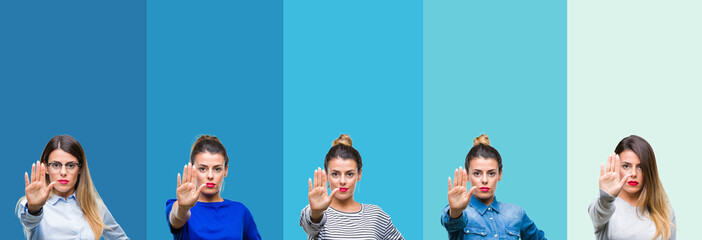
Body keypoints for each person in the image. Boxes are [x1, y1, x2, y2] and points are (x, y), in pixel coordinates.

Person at [16, 135, 129, 240]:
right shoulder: (31, 204)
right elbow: (30, 221)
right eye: (56, 165)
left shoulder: (95, 205)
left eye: (71, 165)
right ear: (45, 167)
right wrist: (34, 209)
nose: (63, 172)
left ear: (79, 168)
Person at [442, 134, 546, 239]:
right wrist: (455, 211)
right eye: (477, 173)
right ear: (467, 175)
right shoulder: (459, 211)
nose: (484, 180)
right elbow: (452, 223)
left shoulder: (516, 213)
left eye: (491, 173)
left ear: (499, 174)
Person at [300, 134, 404, 240]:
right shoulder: (316, 210)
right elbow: (311, 225)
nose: (342, 181)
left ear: (359, 174)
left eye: (349, 174)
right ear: (326, 175)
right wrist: (316, 213)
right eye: (335, 174)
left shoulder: (376, 215)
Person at [166, 135, 261, 240]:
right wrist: (183, 208)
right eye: (202, 169)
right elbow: (176, 218)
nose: (210, 176)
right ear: (192, 168)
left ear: (225, 170)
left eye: (217, 169)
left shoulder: (240, 211)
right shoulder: (180, 205)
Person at [588, 135, 675, 239]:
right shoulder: (605, 205)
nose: (633, 173)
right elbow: (598, 213)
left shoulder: (664, 210)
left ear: (649, 170)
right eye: (626, 166)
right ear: (616, 166)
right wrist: (606, 197)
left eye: (641, 167)